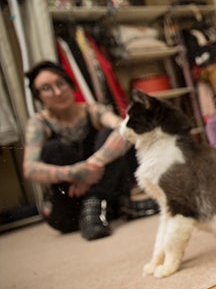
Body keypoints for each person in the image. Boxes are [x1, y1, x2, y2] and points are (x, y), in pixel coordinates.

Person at [23, 61, 135, 240]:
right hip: (69, 210)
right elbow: (30, 168)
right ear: (39, 97)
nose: (58, 92)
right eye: (47, 88)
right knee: (55, 148)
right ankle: (93, 206)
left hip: (108, 201)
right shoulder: (38, 123)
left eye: (60, 83)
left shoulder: (93, 110)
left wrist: (90, 167)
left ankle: (94, 203)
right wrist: (75, 173)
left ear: (70, 84)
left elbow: (125, 131)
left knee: (108, 134)